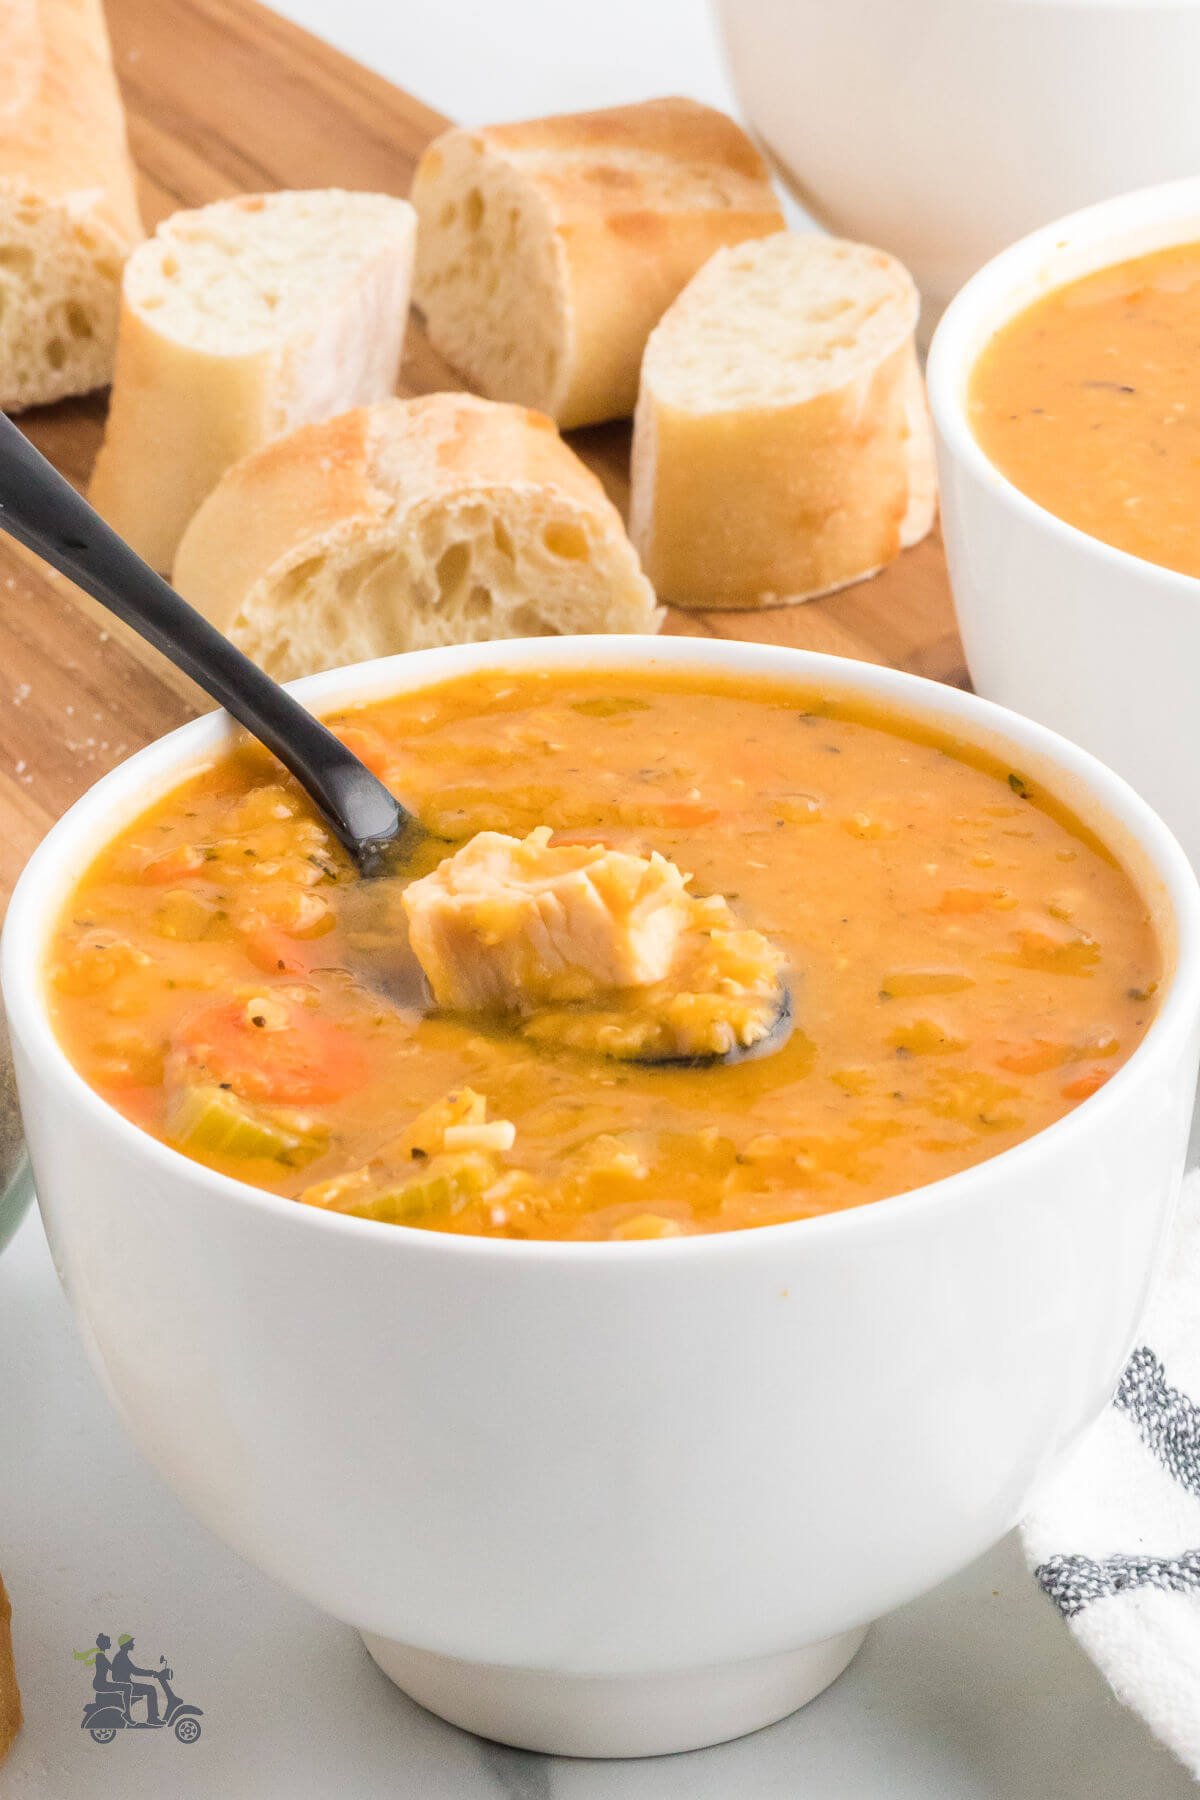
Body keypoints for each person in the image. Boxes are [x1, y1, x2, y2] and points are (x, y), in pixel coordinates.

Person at [110, 1634, 160, 1726]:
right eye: (131, 1642)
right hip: (126, 1686)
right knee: (151, 1689)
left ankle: (152, 1718)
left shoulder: (121, 1655)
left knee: (150, 1689)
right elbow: (135, 1671)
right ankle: (152, 1718)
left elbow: (133, 1670)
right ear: (126, 1644)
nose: (133, 1644)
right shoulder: (122, 1657)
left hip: (126, 1684)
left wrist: (151, 1673)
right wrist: (152, 1673)